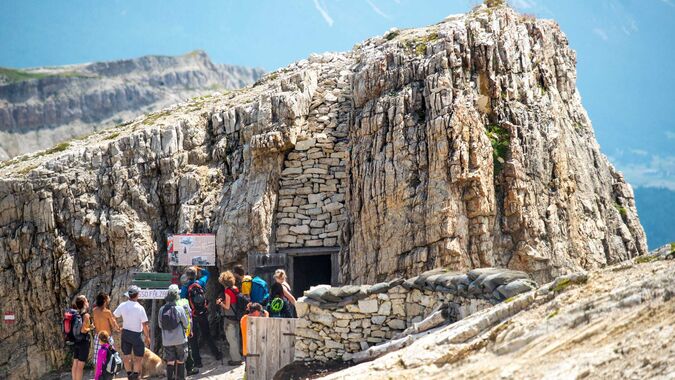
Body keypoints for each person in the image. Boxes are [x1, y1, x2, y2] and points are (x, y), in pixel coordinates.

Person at [180, 266, 222, 366]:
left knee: (193, 339)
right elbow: (207, 273)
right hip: (202, 313)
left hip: (192, 316)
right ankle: (217, 355)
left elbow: (182, 300)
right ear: (195, 275)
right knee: (207, 335)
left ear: (186, 276)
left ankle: (198, 362)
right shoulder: (200, 283)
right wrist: (197, 267)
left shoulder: (185, 287)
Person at [113, 285, 150, 380]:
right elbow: (145, 325)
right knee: (138, 357)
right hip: (137, 335)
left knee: (126, 356)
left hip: (125, 333)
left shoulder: (122, 305)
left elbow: (113, 317)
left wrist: (117, 328)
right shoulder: (140, 308)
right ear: (137, 295)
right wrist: (147, 337)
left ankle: (129, 375)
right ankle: (135, 375)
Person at [159, 285, 190, 380]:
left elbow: (160, 325)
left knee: (170, 361)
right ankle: (180, 378)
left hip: (167, 340)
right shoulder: (179, 309)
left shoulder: (161, 310)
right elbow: (186, 323)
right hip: (179, 339)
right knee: (180, 359)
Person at [216, 271, 243, 366]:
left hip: (229, 318)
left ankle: (236, 359)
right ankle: (238, 356)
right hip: (236, 317)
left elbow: (227, 306)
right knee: (236, 337)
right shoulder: (235, 289)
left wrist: (220, 303)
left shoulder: (227, 291)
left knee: (232, 339)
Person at [175, 280, 199, 376]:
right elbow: (189, 317)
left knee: (173, 351)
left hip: (172, 333)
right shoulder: (185, 301)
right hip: (186, 331)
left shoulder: (170, 305)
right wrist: (190, 329)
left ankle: (175, 372)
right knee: (187, 349)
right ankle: (190, 368)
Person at [92, 293, 120, 368]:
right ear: (104, 300)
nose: (109, 299)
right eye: (108, 298)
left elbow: (94, 324)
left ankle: (97, 377)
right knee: (110, 359)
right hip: (107, 338)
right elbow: (114, 325)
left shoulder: (94, 311)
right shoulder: (107, 312)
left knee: (98, 361)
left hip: (98, 337)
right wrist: (119, 329)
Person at [71, 295, 92, 380]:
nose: (88, 302)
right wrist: (91, 327)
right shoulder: (86, 315)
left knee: (75, 363)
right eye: (87, 301)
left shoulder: (75, 313)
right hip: (83, 341)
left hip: (76, 340)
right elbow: (83, 330)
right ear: (84, 303)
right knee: (80, 366)